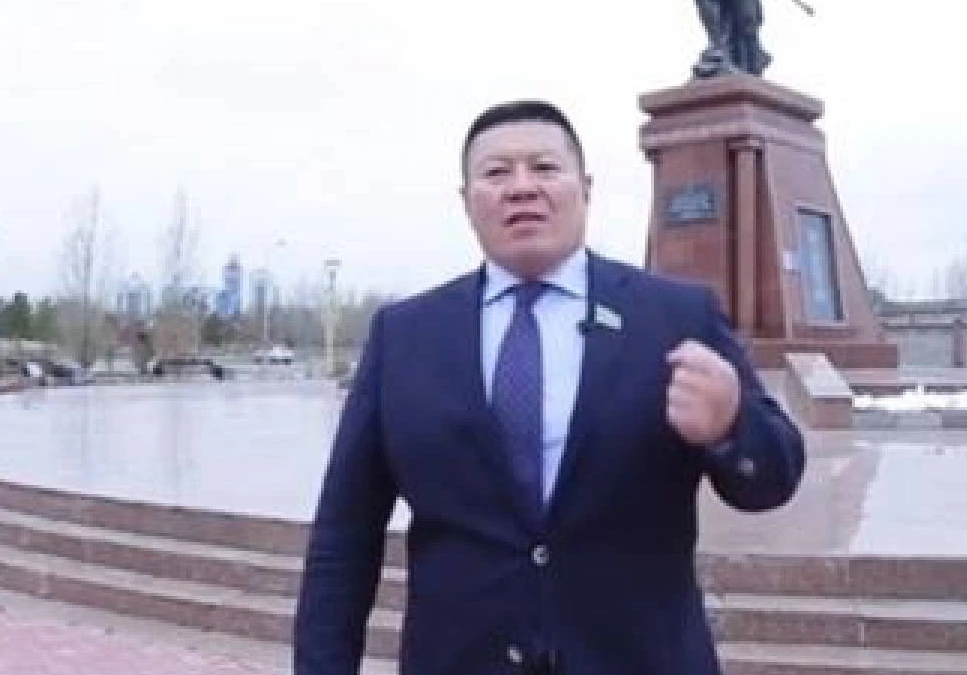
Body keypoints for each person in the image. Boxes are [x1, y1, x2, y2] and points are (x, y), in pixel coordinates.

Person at [293, 100, 805, 675]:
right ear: (466, 201)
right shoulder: (405, 336)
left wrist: (732, 425)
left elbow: (773, 481)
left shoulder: (674, 316)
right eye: (496, 173)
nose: (521, 188)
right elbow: (345, 536)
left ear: (584, 187)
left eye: (544, 167)